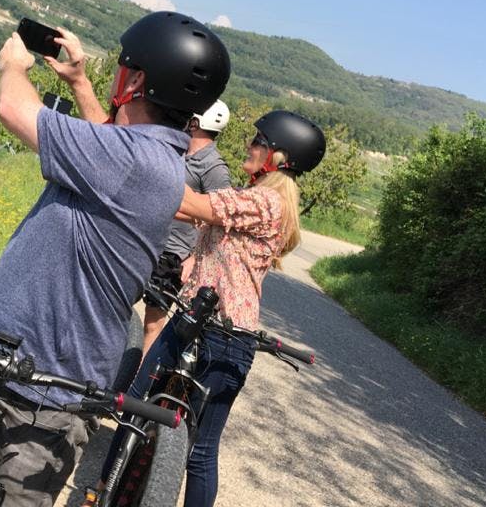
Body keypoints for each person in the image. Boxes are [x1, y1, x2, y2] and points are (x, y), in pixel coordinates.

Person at [0, 12, 231, 507]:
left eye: (124, 67)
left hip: (43, 398)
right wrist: (81, 82)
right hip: (0, 368)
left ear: (138, 79)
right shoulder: (149, 158)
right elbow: (108, 137)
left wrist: (13, 66)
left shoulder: (132, 161)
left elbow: (14, 110)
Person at [88, 109, 326, 507]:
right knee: (169, 430)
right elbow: (184, 210)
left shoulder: (266, 203)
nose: (249, 147)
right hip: (207, 326)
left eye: (258, 142)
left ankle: (102, 494)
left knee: (167, 431)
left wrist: (144, 157)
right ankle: (107, 492)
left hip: (218, 335)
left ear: (280, 158)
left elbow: (195, 205)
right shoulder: (252, 199)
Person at [141, 100, 232, 359]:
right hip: (148, 239)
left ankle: (137, 381)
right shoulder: (179, 150)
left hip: (174, 252)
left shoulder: (214, 169)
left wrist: (194, 258)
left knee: (153, 319)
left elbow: (218, 218)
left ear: (196, 122)